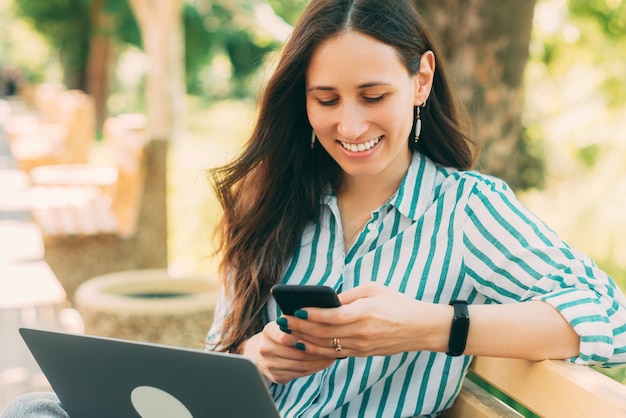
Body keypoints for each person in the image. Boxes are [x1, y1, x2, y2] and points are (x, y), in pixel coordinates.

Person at [3, 0, 626, 417]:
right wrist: (257, 359)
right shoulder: (276, 199)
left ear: (421, 80)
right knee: (35, 409)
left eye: (372, 94)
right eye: (325, 99)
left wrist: (430, 326)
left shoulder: (465, 209)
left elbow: (610, 318)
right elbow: (223, 351)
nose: (348, 123)